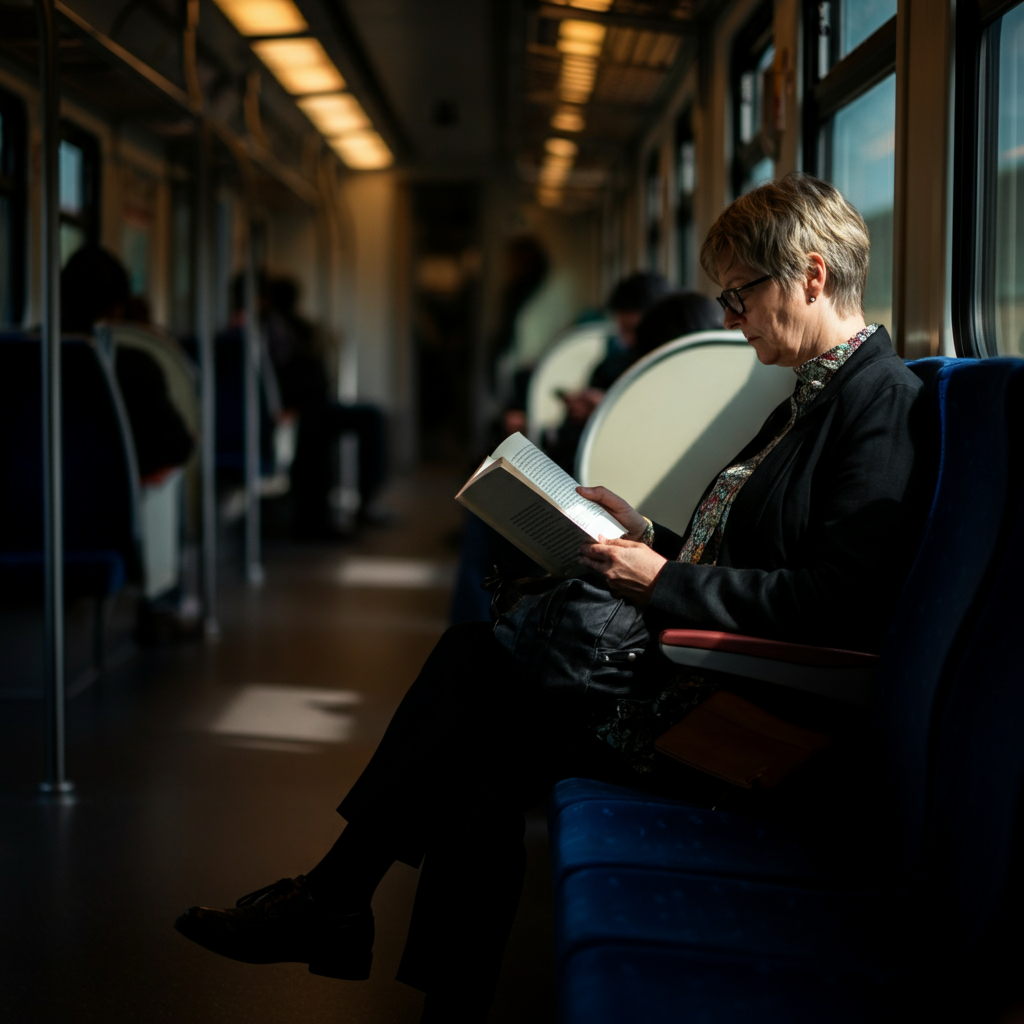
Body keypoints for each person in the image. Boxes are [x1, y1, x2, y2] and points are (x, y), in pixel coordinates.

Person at [173, 173, 936, 1022]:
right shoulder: (810, 399)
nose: (730, 318)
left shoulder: (879, 404)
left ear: (814, 274)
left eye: (740, 295)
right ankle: (345, 914)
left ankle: (334, 902)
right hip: (698, 676)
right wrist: (646, 535)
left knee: (472, 680)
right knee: (478, 759)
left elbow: (842, 604)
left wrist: (663, 581)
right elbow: (750, 559)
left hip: (751, 721)